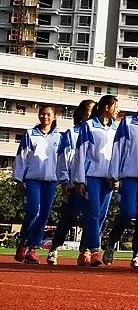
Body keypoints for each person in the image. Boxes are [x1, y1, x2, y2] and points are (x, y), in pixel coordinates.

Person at [106, 89, 138, 269]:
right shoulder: (127, 122)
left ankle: (137, 254)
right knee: (127, 213)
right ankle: (112, 241)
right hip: (129, 175)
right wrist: (114, 174)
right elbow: (117, 148)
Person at [70, 94, 120, 267]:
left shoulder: (117, 128)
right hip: (91, 176)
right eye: (116, 106)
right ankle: (95, 249)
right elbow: (81, 153)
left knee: (100, 216)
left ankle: (85, 250)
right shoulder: (89, 126)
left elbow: (117, 155)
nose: (117, 110)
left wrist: (115, 176)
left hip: (108, 179)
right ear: (107, 107)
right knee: (91, 213)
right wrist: (79, 180)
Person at [12, 105, 63, 265]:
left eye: (48, 114)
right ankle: (22, 242)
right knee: (33, 211)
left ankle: (32, 249)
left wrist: (64, 179)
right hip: (32, 179)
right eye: (42, 114)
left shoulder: (59, 138)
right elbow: (22, 156)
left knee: (43, 216)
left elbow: (63, 160)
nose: (45, 117)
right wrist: (19, 178)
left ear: (54, 117)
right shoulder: (30, 134)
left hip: (51, 181)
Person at [49, 99, 96, 266]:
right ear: (82, 113)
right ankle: (54, 247)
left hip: (94, 182)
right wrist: (65, 181)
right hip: (74, 183)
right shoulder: (72, 133)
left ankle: (86, 251)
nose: (92, 113)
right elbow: (64, 157)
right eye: (89, 110)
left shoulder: (98, 131)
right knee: (69, 217)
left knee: (92, 218)